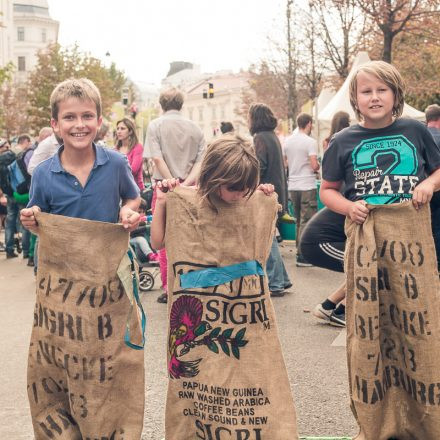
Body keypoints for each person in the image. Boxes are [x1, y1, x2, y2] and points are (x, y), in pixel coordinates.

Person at [321, 60, 440, 222]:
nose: (375, 97)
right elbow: (327, 190)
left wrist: (430, 184)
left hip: (412, 230)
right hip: (365, 232)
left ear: (396, 95)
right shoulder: (341, 141)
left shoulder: (416, 130)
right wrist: (348, 207)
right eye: (366, 91)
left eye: (382, 90)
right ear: (355, 99)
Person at [144, 87, 205, 303]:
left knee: (163, 239)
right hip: (191, 189)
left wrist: (171, 183)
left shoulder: (155, 126)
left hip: (164, 187)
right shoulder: (195, 128)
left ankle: (169, 287)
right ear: (182, 104)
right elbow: (201, 161)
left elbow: (157, 159)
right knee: (191, 237)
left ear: (161, 105)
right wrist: (186, 182)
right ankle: (189, 282)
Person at [248, 103, 292, 297]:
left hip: (265, 193)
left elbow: (259, 166)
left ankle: (276, 282)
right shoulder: (272, 136)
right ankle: (283, 279)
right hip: (277, 191)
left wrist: (250, 186)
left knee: (267, 237)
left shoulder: (260, 138)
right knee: (270, 235)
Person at [284, 113, 320, 267]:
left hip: (293, 185)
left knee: (298, 220)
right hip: (306, 185)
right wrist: (317, 167)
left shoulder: (287, 141)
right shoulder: (310, 142)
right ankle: (303, 255)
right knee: (308, 220)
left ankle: (300, 252)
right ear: (309, 124)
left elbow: (286, 163)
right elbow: (313, 165)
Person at [4, 134, 33, 260]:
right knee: (24, 221)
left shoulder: (3, 158)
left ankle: (9, 249)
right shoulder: (19, 155)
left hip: (9, 193)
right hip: (21, 192)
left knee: (10, 221)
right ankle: (26, 251)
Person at [115, 117, 144, 190]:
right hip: (119, 191)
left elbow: (133, 170)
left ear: (130, 131)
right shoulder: (115, 149)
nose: (119, 131)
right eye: (118, 128)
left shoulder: (138, 148)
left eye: (122, 128)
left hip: (135, 190)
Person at [130, 198, 158, 263]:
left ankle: (155, 254)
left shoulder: (143, 221)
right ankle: (150, 255)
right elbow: (132, 232)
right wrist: (146, 226)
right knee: (140, 239)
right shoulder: (130, 221)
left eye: (143, 212)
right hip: (131, 241)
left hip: (143, 243)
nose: (142, 214)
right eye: (139, 212)